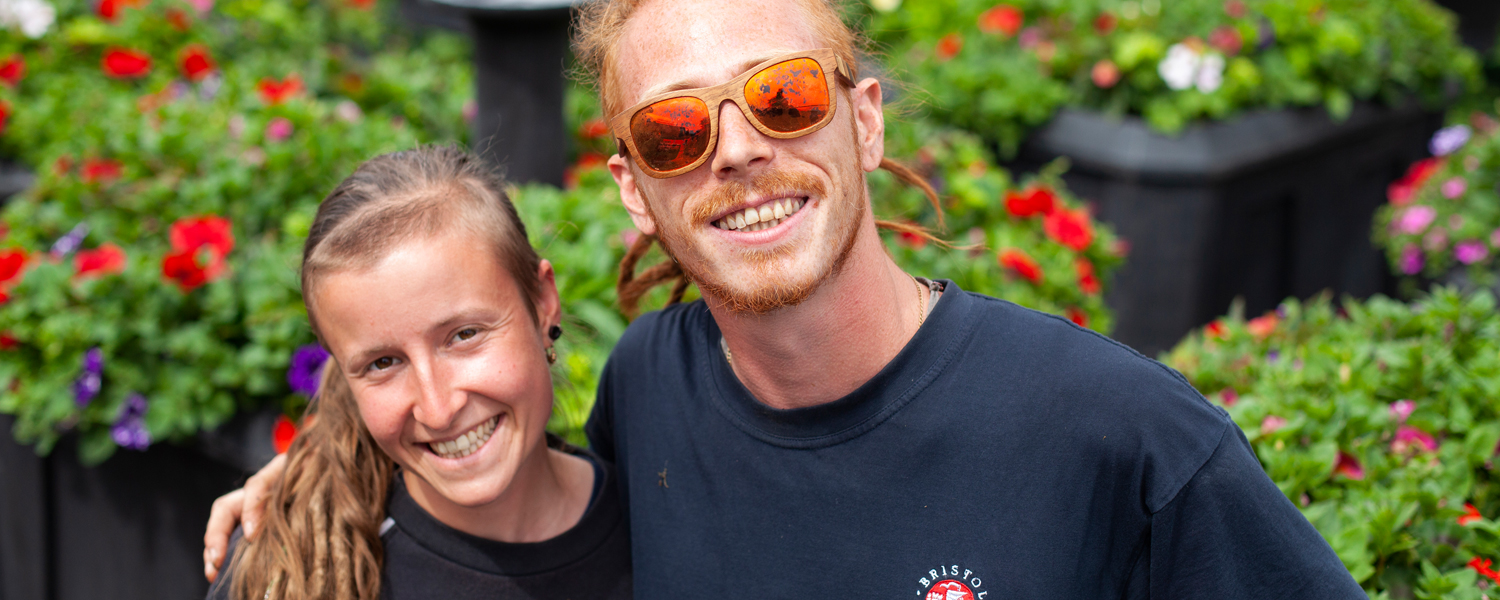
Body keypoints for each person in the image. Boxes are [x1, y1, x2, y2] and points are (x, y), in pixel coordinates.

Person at [209, 0, 1368, 597]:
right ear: (633, 187)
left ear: (861, 118)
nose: (738, 150)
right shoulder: (650, 390)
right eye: (675, 128)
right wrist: (322, 481)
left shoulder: (1116, 433)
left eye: (783, 97)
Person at [205, 146, 630, 600]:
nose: (438, 409)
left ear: (543, 304)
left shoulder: (658, 524)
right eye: (383, 363)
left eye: (464, 334)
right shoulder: (291, 577)